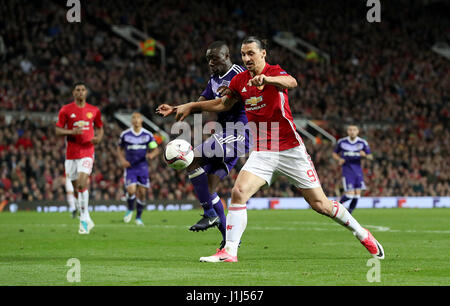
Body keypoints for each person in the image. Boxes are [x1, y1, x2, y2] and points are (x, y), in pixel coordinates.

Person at [170, 36, 384, 262]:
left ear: (263, 54)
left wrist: (268, 80)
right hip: (263, 151)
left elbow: (292, 82)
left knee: (320, 205)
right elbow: (223, 104)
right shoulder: (240, 80)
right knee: (238, 192)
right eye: (243, 54)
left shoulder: (275, 72)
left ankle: (362, 233)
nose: (247, 58)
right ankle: (229, 251)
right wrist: (191, 106)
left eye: (251, 53)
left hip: (291, 149)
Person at [157, 41, 250, 249]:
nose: (210, 63)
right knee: (209, 188)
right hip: (225, 135)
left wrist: (191, 106)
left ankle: (209, 213)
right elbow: (200, 102)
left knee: (191, 159)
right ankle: (229, 239)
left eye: (214, 58)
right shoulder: (214, 79)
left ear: (227, 57)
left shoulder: (239, 74)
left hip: (238, 133)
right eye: (208, 59)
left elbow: (223, 104)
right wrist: (176, 108)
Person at [55, 82, 104, 234]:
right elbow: (58, 130)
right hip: (71, 154)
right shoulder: (66, 110)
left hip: (87, 151)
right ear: (73, 93)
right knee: (76, 188)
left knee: (82, 184)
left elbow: (100, 128)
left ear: (86, 92)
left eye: (83, 90)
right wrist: (71, 132)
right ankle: (86, 215)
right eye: (78, 90)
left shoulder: (94, 110)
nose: (81, 92)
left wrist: (98, 138)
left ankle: (82, 219)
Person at [117, 112, 160, 226]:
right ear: (131, 121)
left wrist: (152, 155)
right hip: (130, 168)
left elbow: (155, 149)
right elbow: (119, 149)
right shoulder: (125, 135)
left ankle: (138, 218)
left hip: (142, 168)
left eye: (138, 118)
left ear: (141, 120)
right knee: (131, 190)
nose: (136, 120)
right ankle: (130, 208)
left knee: (142, 193)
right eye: (134, 118)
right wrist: (122, 160)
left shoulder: (147, 135)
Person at [332, 125, 373, 214]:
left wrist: (365, 155)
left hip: (358, 172)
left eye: (354, 130)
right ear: (347, 131)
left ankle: (349, 213)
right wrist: (339, 159)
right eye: (350, 130)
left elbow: (370, 157)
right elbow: (334, 153)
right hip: (347, 171)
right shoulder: (342, 142)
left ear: (358, 131)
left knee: (357, 195)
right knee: (349, 195)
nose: (352, 131)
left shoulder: (362, 143)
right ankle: (334, 206)